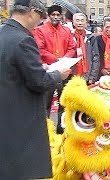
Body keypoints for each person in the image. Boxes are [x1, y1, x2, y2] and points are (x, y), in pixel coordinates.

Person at [0, 0, 70, 178]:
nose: (40, 22)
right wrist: (57, 75)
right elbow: (39, 81)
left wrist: (40, 68)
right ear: (31, 12)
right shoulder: (24, 40)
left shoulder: (3, 33)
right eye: (40, 17)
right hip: (22, 117)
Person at [33, 4, 76, 134]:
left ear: (61, 16)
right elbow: (40, 49)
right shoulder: (40, 30)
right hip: (49, 71)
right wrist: (55, 59)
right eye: (53, 15)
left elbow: (72, 47)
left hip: (64, 71)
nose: (56, 17)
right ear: (49, 15)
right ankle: (45, 130)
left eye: (58, 15)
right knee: (45, 102)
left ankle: (61, 129)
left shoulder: (66, 30)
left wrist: (63, 60)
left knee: (63, 102)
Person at [72, 13, 100, 84]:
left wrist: (92, 77)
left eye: (82, 20)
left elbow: (95, 58)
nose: (80, 23)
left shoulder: (91, 37)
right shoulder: (69, 36)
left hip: (87, 75)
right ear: (73, 22)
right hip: (73, 75)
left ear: (86, 23)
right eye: (77, 20)